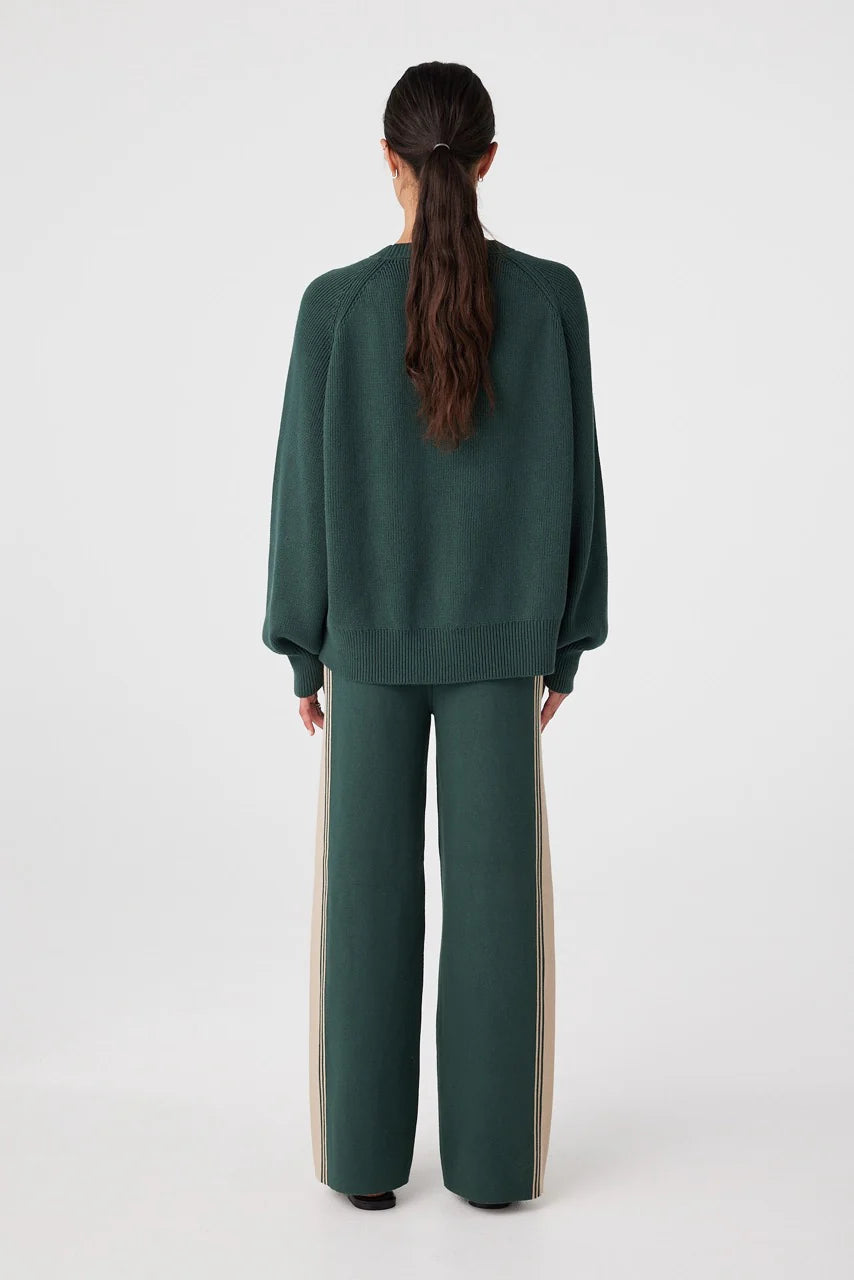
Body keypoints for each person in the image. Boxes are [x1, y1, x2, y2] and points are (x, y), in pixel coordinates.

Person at [262, 60, 608, 1212]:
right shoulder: (549, 298)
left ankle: (365, 1167)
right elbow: (577, 478)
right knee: (499, 913)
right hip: (500, 655)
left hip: (366, 653)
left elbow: (300, 491)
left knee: (363, 909)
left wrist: (303, 646)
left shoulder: (335, 304)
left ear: (389, 162)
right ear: (489, 160)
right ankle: (493, 1170)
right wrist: (564, 642)